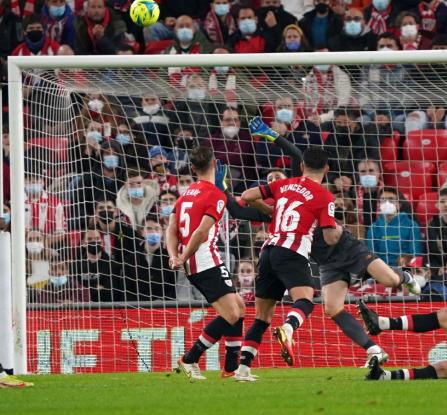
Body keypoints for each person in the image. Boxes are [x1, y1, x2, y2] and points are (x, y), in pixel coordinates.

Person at [247, 118, 420, 369]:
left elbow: (296, 155)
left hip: (347, 250)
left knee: (390, 281)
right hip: (327, 260)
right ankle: (374, 350)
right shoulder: (287, 195)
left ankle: (404, 276)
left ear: (305, 168)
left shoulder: (307, 190)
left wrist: (272, 135)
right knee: (333, 308)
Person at [239, 123, 343, 377]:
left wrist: (271, 211)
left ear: (301, 167)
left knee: (262, 317)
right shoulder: (324, 197)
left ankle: (242, 369)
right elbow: (330, 237)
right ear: (327, 169)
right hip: (292, 250)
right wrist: (339, 232)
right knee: (306, 300)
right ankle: (288, 328)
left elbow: (247, 195)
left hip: (268, 250)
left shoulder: (284, 185)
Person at [167, 147, 245, 382]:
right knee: (232, 313)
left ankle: (231, 369)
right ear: (215, 164)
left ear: (192, 168)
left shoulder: (185, 195)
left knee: (239, 308)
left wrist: (174, 255)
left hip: (202, 259)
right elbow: (201, 231)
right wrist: (183, 256)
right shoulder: (216, 195)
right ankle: (190, 359)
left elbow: (171, 228)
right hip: (203, 260)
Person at [366, 187, 423, 266]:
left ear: (398, 205)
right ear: (379, 205)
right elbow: (372, 257)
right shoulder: (373, 228)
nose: (387, 203)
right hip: (381, 271)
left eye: (391, 199)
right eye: (383, 200)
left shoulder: (412, 226)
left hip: (405, 271)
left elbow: (416, 255)